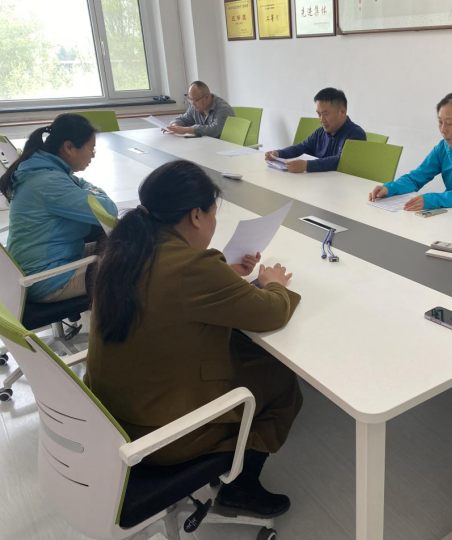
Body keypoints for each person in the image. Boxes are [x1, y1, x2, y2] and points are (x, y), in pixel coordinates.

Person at [84, 160, 303, 518]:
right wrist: (275, 284)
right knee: (282, 381)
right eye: (214, 214)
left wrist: (225, 275)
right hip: (159, 437)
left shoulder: (126, 247)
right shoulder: (194, 267)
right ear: (196, 216)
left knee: (240, 347)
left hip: (110, 417)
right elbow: (272, 313)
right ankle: (240, 486)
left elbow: (170, 291)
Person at [0, 113, 118, 303]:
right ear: (69, 147)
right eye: (91, 149)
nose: (93, 155)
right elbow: (108, 211)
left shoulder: (39, 169)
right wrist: (94, 191)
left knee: (118, 243)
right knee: (134, 264)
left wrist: (86, 188)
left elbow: (78, 181)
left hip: (34, 265)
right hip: (46, 279)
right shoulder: (50, 182)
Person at [368, 90, 452, 212]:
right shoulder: (443, 148)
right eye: (440, 122)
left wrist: (432, 199)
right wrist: (389, 189)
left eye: (450, 123)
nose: (443, 129)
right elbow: (417, 177)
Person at [265, 87, 365, 173]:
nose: (321, 119)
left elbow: (341, 161)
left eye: (325, 114)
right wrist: (278, 153)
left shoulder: (356, 134)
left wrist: (306, 165)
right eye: (319, 114)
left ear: (342, 112)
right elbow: (302, 148)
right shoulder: (320, 132)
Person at [167, 80, 235, 138]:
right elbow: (182, 119)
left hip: (224, 146)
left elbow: (215, 130)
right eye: (190, 100)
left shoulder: (223, 109)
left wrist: (189, 129)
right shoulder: (195, 107)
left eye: (195, 100)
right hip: (207, 144)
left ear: (207, 97)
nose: (192, 104)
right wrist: (174, 127)